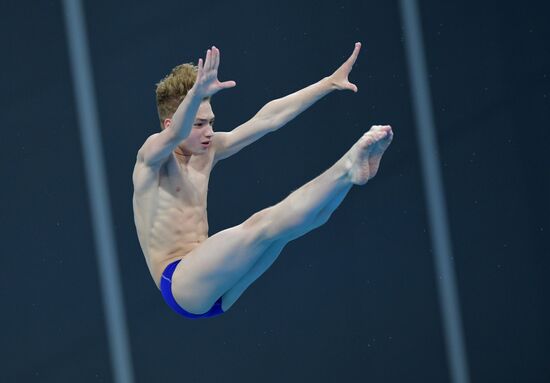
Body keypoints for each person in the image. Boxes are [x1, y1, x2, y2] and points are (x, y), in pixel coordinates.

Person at [132, 42, 393, 319]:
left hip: (219, 287)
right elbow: (174, 137)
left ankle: (348, 179)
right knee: (262, 224)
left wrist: (327, 83)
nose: (209, 132)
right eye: (199, 124)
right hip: (181, 285)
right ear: (169, 124)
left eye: (211, 122)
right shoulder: (151, 159)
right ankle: (347, 168)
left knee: (292, 229)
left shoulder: (209, 150)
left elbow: (268, 119)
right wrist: (195, 93)